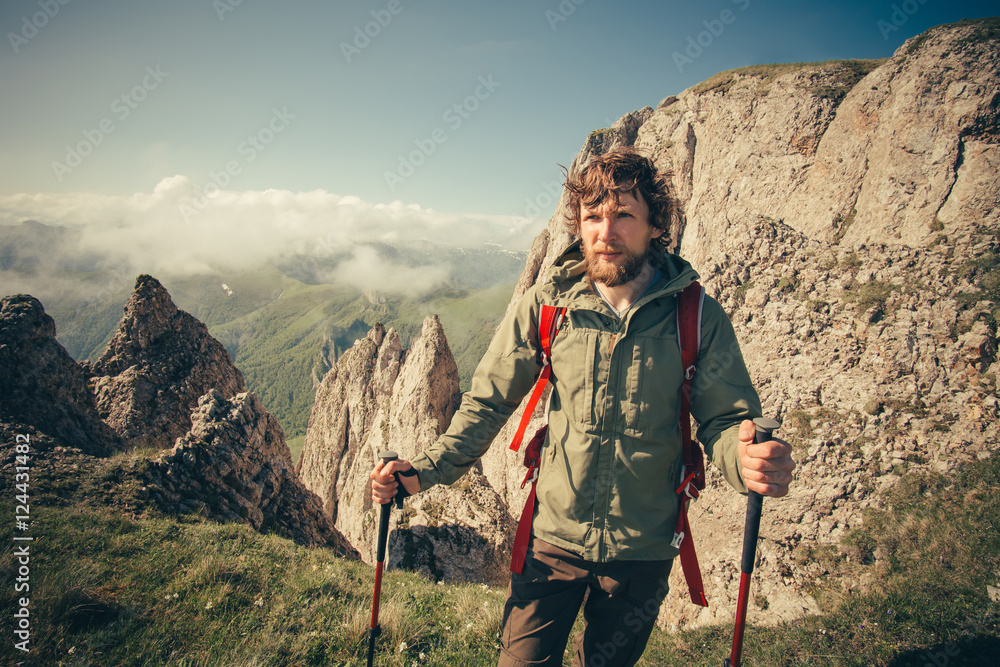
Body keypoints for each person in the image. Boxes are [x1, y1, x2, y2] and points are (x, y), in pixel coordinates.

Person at [371, 147, 795, 666]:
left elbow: (725, 421)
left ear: (655, 226)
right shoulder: (548, 306)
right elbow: (487, 402)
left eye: (623, 215)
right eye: (593, 217)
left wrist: (744, 460)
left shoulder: (696, 314)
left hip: (643, 550)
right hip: (552, 538)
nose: (605, 232)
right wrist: (423, 471)